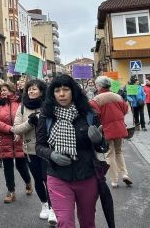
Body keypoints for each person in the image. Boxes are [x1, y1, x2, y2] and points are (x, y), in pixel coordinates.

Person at [36, 74, 107, 228]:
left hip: (87, 176)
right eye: (57, 90)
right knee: (65, 223)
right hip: (58, 177)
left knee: (88, 222)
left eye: (66, 89)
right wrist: (51, 155)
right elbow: (39, 146)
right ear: (52, 94)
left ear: (73, 91)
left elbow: (103, 147)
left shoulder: (88, 114)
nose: (61, 94)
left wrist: (99, 140)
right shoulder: (46, 116)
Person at [12, 79, 57, 225]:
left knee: (48, 179)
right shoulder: (23, 107)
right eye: (29, 89)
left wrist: (41, 119)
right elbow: (16, 128)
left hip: (47, 149)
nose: (31, 91)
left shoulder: (49, 105)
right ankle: (44, 204)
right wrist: (30, 123)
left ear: (42, 91)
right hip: (30, 150)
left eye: (34, 89)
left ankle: (52, 209)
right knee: (38, 179)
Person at [0, 81, 32, 203]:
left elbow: (27, 118)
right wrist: (10, 129)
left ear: (12, 90)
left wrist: (18, 131)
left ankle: (28, 182)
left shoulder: (21, 102)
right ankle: (11, 191)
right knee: (7, 166)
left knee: (21, 165)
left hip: (20, 138)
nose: (2, 92)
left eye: (5, 90)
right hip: (5, 138)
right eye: (1, 90)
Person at [89, 76, 132, 188]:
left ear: (99, 86)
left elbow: (95, 116)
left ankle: (114, 180)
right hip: (119, 128)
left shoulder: (96, 100)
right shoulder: (117, 96)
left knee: (109, 154)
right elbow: (126, 110)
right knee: (118, 152)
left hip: (106, 130)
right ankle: (125, 174)